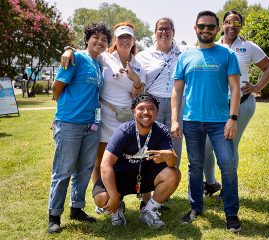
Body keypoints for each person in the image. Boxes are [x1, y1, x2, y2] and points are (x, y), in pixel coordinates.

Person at [61, 22, 146, 214]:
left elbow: (138, 96)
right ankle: (102, 196)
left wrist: (136, 80)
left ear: (133, 41)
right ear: (115, 40)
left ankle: (117, 195)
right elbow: (86, 54)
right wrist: (69, 50)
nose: (125, 40)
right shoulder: (104, 58)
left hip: (126, 119)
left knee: (122, 159)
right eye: (121, 37)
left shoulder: (139, 65)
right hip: (104, 116)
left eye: (129, 37)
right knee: (99, 160)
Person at [171, 11, 242, 232]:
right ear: (195, 28)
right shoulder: (185, 57)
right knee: (195, 167)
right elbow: (177, 91)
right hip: (192, 121)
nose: (206, 30)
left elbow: (235, 88)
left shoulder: (227, 55)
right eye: (202, 26)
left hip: (220, 121)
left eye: (210, 27)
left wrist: (232, 118)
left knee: (228, 166)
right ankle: (195, 207)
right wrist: (175, 119)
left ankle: (231, 214)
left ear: (217, 29)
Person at [48, 23, 112, 234]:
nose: (100, 41)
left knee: (84, 170)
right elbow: (57, 88)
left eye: (104, 39)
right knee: (63, 170)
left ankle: (77, 208)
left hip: (92, 125)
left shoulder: (97, 64)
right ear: (87, 39)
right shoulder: (76, 58)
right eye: (96, 37)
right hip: (70, 124)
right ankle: (54, 215)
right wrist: (64, 112)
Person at [204, 10, 269, 193]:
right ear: (222, 25)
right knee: (206, 146)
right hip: (217, 105)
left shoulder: (248, 46)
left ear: (241, 26)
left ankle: (228, 189)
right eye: (228, 22)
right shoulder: (213, 45)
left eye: (236, 23)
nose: (232, 26)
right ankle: (211, 183)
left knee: (229, 146)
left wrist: (257, 87)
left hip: (242, 103)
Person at [92, 93, 181, 229]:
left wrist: (169, 156)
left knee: (173, 173)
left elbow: (172, 163)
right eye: (141, 108)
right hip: (119, 178)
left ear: (156, 112)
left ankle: (149, 211)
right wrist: (114, 196)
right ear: (133, 111)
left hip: (144, 178)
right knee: (101, 198)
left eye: (151, 108)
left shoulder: (161, 130)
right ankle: (117, 207)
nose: (146, 112)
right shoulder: (123, 131)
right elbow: (105, 165)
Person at [136, 17, 187, 166]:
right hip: (153, 104)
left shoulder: (185, 52)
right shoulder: (144, 55)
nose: (164, 32)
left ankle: (170, 178)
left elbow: (205, 45)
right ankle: (149, 181)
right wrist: (70, 49)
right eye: (161, 29)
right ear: (155, 32)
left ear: (173, 32)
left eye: (167, 28)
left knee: (175, 141)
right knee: (151, 142)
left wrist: (225, 38)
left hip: (177, 103)